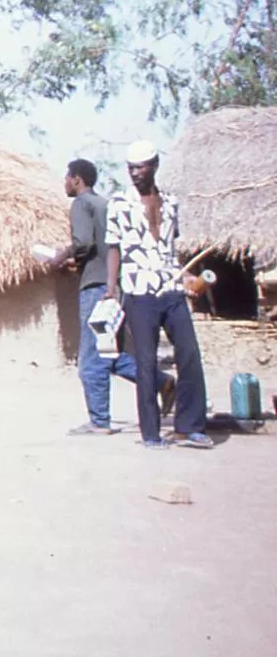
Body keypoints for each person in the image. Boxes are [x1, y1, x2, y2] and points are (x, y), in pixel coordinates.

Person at [50, 158, 172, 435]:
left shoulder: (81, 204)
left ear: (77, 179)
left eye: (67, 177)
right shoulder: (105, 205)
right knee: (111, 355)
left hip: (96, 288)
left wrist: (62, 256)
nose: (65, 182)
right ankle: (162, 382)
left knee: (91, 357)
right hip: (116, 286)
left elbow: (83, 243)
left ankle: (99, 421)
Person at [105, 140, 212, 449]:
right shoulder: (119, 203)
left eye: (140, 167)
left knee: (189, 354)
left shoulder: (172, 203)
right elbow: (113, 247)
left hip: (171, 286)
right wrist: (112, 289)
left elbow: (168, 249)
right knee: (146, 362)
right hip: (139, 290)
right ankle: (151, 433)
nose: (135, 173)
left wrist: (187, 274)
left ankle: (188, 427)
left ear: (154, 166)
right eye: (130, 168)